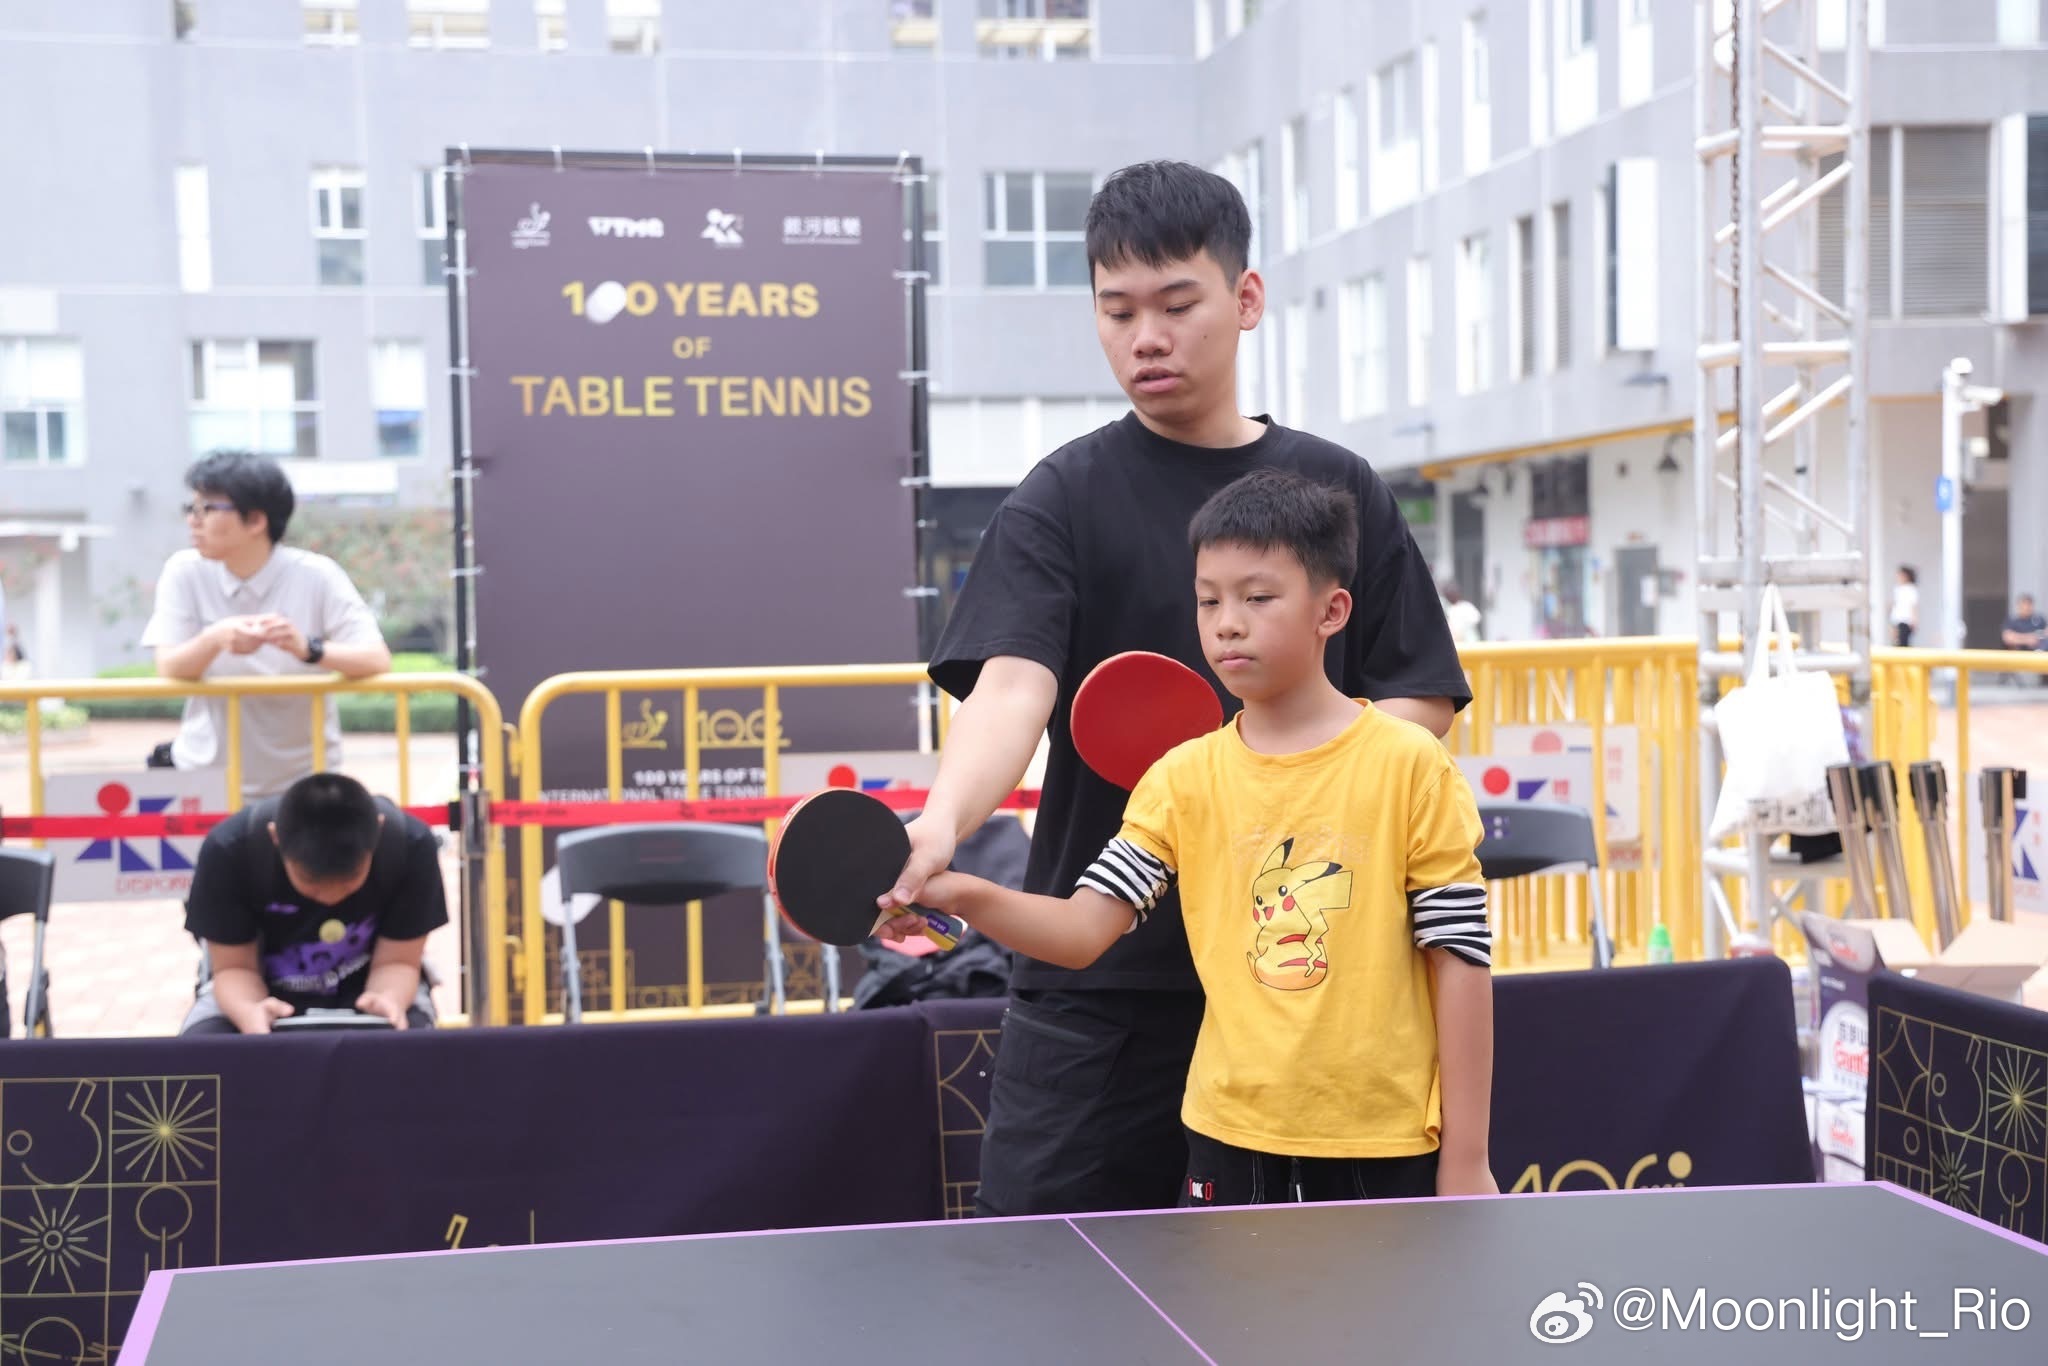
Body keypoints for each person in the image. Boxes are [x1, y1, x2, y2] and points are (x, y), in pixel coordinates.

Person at [880, 161, 1470, 1218]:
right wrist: (941, 824)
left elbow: (1416, 702)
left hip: (1305, 995)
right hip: (1098, 988)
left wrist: (1278, 790)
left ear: (1245, 299)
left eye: (1175, 304)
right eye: (1117, 312)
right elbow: (1010, 689)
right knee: (1046, 1278)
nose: (1145, 337)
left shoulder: (1336, 492)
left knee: (1303, 1297)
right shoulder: (1059, 498)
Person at [890, 470, 1494, 1203]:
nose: (1227, 623)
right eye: (1209, 601)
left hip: (1386, 1143)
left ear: (1332, 611)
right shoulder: (1181, 777)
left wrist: (1467, 1158)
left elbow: (1460, 960)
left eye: (1258, 598)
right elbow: (1082, 932)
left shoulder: (1411, 765)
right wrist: (961, 892)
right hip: (1226, 1138)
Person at [141, 451, 391, 802]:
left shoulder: (317, 575)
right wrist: (215, 638)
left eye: (206, 509)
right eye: (191, 508)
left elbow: (376, 659)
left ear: (256, 520)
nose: (193, 521)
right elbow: (169, 666)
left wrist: (308, 649)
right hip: (205, 775)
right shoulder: (184, 571)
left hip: (305, 782)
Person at [180, 772, 447, 1034]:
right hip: (255, 991)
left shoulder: (410, 846)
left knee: (417, 1048)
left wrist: (388, 999)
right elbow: (234, 967)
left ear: (377, 832)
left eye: (349, 880)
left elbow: (399, 962)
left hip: (373, 987)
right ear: (275, 837)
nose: (331, 897)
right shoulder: (229, 851)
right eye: (311, 882)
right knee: (203, 1052)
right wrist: (250, 1011)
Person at [1440, 580, 1482, 645]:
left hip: (1469, 642)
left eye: (1453, 592)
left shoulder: (1466, 606)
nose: (1451, 595)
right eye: (1449, 593)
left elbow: (1476, 618)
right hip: (1453, 644)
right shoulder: (1445, 608)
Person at [1888, 565, 1918, 648]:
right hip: (1896, 619)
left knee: (1903, 642)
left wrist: (1914, 620)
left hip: (1906, 620)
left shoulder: (1911, 589)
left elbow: (1913, 606)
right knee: (1895, 642)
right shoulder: (1897, 589)